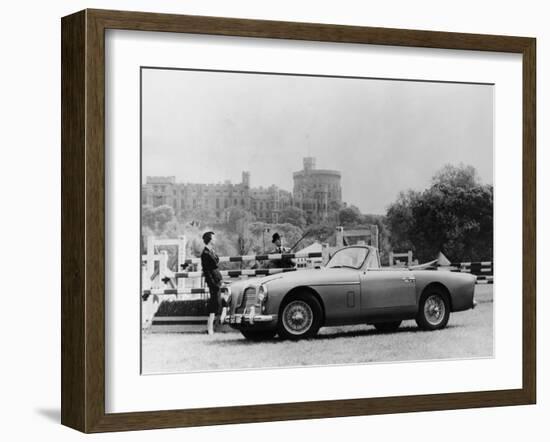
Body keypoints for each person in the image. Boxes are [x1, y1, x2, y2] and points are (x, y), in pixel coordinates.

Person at [200, 231, 222, 335]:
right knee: (214, 304)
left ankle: (212, 326)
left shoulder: (211, 251)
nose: (215, 239)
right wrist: (212, 283)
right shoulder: (205, 254)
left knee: (218, 303)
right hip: (213, 281)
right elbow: (206, 271)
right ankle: (210, 328)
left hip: (217, 279)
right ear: (209, 240)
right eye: (213, 238)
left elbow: (217, 261)